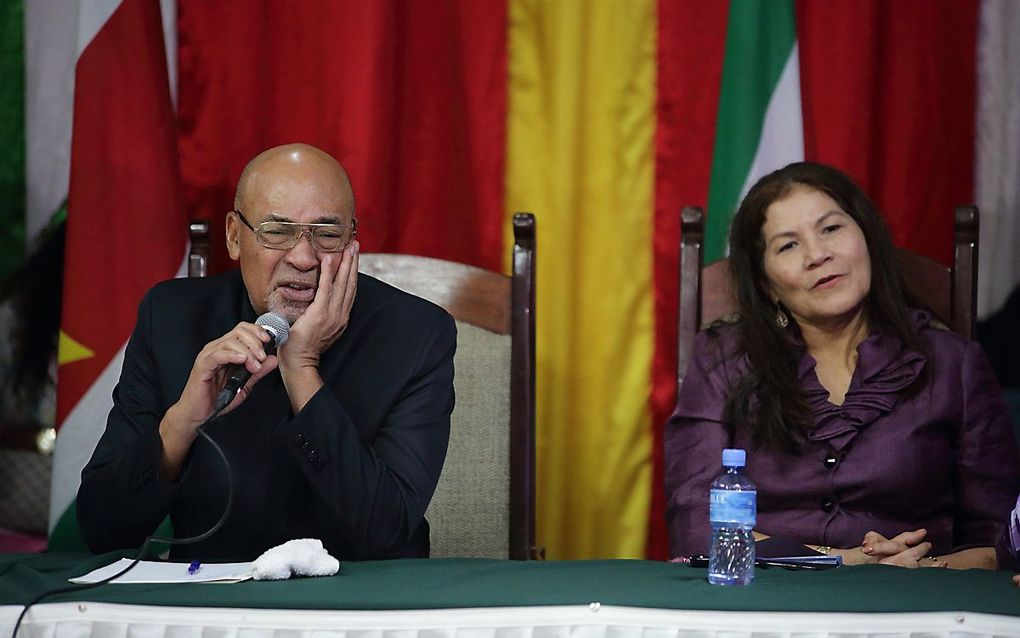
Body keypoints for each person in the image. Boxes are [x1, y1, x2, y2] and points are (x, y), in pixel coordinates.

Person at [77, 143, 455, 561]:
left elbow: (386, 531)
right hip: (213, 601)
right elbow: (102, 528)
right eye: (278, 231)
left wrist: (302, 369)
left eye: (327, 235)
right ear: (234, 236)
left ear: (351, 242)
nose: (304, 257)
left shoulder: (415, 334)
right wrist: (183, 420)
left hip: (357, 606)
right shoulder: (170, 319)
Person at [665, 162, 1020, 569]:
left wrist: (922, 570)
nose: (818, 255)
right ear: (766, 285)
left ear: (866, 237)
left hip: (918, 607)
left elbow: (1001, 537)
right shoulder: (722, 361)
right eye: (788, 245)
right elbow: (696, 525)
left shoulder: (954, 363)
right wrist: (846, 561)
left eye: (831, 228)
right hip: (764, 603)